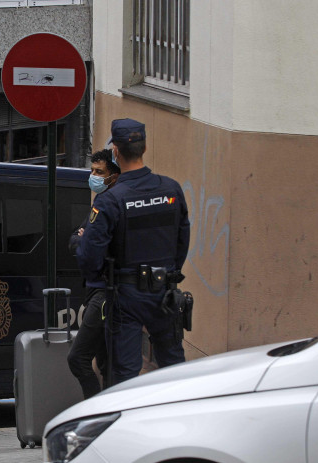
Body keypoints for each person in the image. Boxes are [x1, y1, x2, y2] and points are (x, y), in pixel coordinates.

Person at [76, 119, 190, 386]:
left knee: (125, 375)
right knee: (174, 370)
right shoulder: (171, 189)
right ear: (145, 147)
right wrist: (170, 273)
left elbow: (89, 255)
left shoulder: (110, 200)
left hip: (126, 296)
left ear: (115, 151)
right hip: (165, 292)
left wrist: (100, 277)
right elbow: (182, 240)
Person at [67, 149, 120, 398]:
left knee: (78, 358)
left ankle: (94, 410)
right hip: (94, 290)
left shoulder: (110, 204)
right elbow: (75, 239)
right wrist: (82, 241)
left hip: (104, 293)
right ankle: (107, 414)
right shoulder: (99, 203)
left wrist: (83, 241)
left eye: (100, 172)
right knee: (106, 361)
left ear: (114, 176)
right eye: (92, 171)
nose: (93, 176)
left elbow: (89, 247)